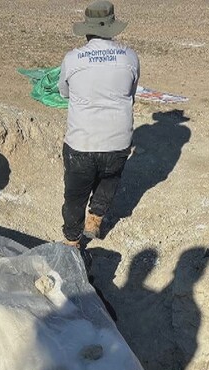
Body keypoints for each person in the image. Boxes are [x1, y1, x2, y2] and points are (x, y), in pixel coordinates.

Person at [58, 1, 139, 247]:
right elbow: (131, 93)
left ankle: (72, 240)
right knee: (110, 178)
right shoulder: (130, 57)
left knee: (75, 194)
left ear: (87, 29)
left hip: (82, 142)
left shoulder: (72, 59)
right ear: (113, 28)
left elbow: (64, 92)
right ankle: (95, 218)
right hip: (118, 140)